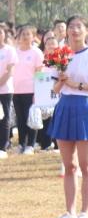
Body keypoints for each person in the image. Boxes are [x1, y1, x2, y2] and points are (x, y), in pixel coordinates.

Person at [47, 17, 88, 218]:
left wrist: (78, 85)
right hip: (65, 107)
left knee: (86, 164)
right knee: (69, 165)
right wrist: (62, 80)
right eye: (71, 26)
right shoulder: (61, 54)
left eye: (78, 26)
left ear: (86, 30)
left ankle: (84, 212)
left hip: (85, 107)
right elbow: (55, 90)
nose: (74, 30)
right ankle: (69, 211)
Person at [11, 26, 43, 155]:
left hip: (31, 91)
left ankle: (31, 145)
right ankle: (21, 144)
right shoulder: (15, 52)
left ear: (33, 37)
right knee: (20, 119)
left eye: (28, 34)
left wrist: (38, 92)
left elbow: (39, 74)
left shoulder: (36, 53)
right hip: (16, 90)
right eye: (22, 34)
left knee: (31, 117)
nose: (25, 36)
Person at [0, 27, 15, 159]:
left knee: (4, 117)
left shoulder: (9, 50)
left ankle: (3, 146)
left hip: (5, 89)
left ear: (4, 34)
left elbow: (10, 71)